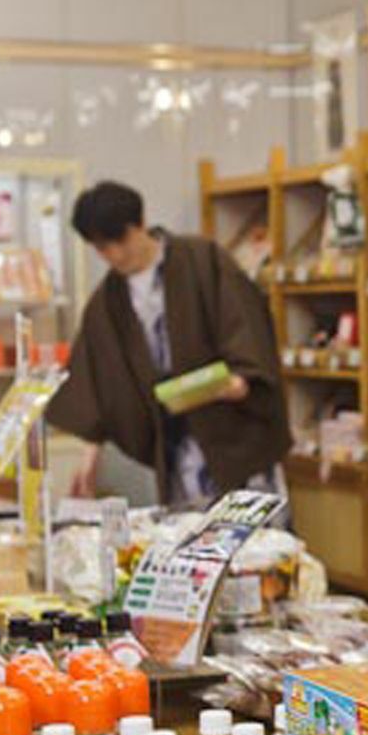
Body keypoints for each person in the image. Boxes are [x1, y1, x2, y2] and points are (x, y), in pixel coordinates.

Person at [47, 180, 289, 505]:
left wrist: (243, 378)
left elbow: (245, 325)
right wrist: (90, 452)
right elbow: (98, 380)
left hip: (235, 433)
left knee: (262, 544)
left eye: (121, 240)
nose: (115, 254)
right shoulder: (108, 301)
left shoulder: (203, 261)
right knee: (192, 543)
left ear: (140, 224)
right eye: (103, 248)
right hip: (178, 447)